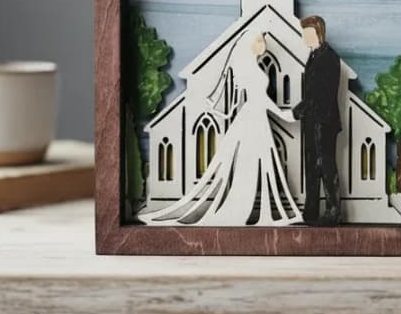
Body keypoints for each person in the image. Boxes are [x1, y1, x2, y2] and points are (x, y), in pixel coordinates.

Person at [139, 33, 302, 227]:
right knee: (248, 165)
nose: (263, 44)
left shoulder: (253, 67)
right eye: (259, 40)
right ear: (249, 44)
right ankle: (239, 210)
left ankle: (243, 208)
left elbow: (262, 99)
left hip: (256, 117)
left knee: (258, 164)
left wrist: (284, 114)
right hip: (253, 119)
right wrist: (283, 114)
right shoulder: (248, 69)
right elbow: (259, 99)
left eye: (263, 41)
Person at [292, 15, 342, 226]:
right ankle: (311, 210)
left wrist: (301, 108)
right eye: (303, 33)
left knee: (325, 166)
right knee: (312, 166)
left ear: (318, 33)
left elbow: (322, 94)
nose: (304, 37)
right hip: (312, 122)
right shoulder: (314, 56)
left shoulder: (328, 57)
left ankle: (333, 211)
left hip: (324, 122)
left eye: (307, 33)